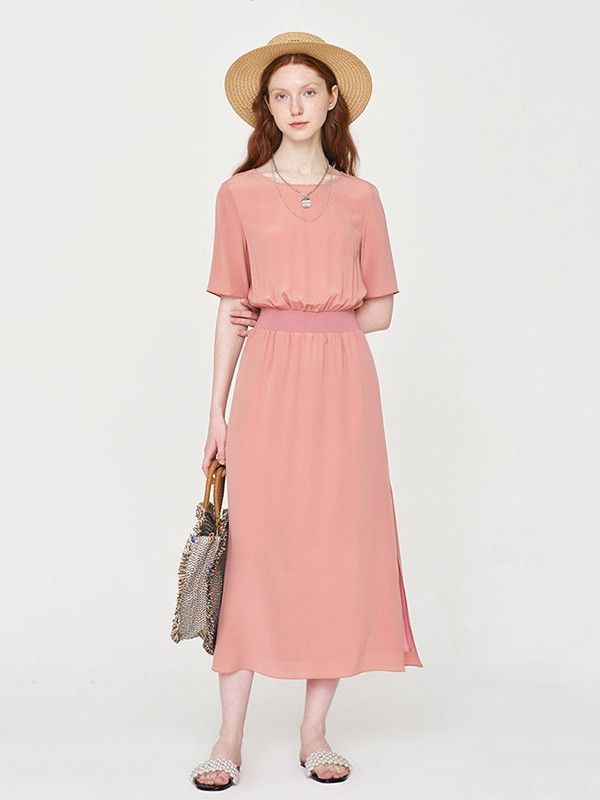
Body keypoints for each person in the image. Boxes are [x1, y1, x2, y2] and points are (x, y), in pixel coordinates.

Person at [190, 31, 423, 791]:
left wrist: (317, 321)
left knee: (336, 547)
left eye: (308, 92)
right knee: (257, 549)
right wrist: (217, 411)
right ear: (268, 108)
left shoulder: (362, 199)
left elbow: (381, 308)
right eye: (281, 95)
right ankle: (228, 736)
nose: (295, 106)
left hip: (345, 385)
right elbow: (230, 306)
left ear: (332, 101)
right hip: (267, 384)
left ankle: (314, 732)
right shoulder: (239, 194)